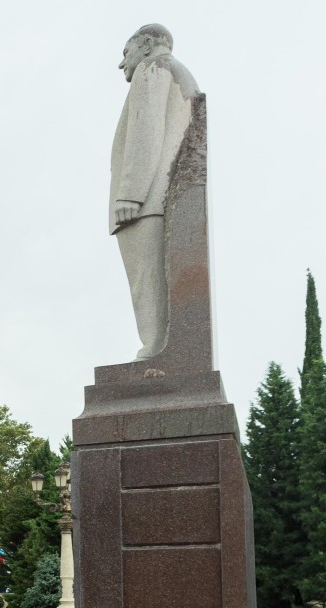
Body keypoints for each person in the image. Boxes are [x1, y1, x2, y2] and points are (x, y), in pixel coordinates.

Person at [110, 23, 199, 360]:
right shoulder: (178, 73)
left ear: (146, 44)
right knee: (153, 281)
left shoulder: (153, 68)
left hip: (144, 201)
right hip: (161, 195)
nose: (122, 64)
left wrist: (129, 193)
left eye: (125, 52)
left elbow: (146, 132)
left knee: (145, 282)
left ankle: (154, 347)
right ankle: (159, 345)